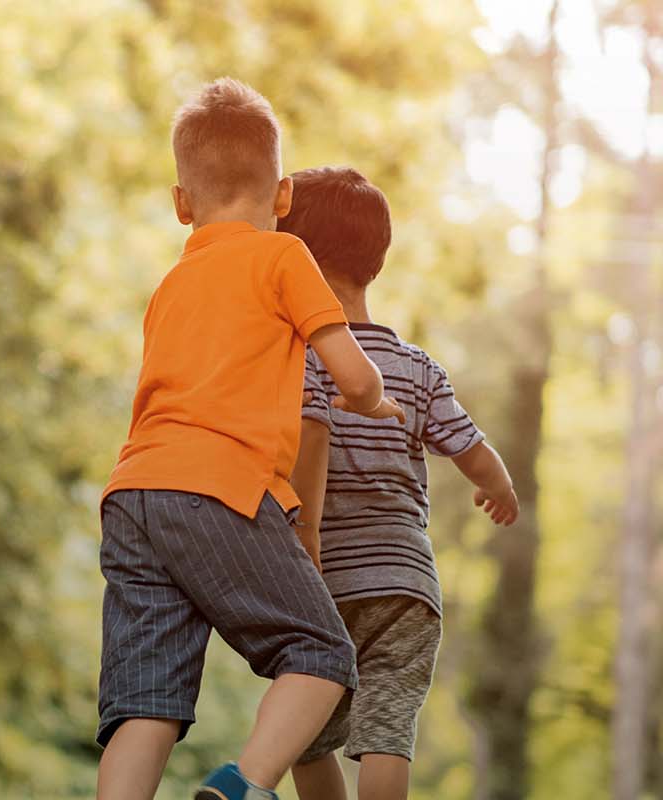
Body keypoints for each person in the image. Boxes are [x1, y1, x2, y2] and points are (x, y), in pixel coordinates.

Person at [94, 78, 405, 800]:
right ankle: (245, 785)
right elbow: (352, 380)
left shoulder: (172, 283)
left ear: (181, 204)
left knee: (145, 700)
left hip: (133, 495)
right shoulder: (282, 258)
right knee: (323, 654)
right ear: (285, 195)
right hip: (220, 490)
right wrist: (378, 400)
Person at [278, 167, 519, 800]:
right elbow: (472, 449)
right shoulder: (416, 368)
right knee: (387, 730)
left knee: (304, 733)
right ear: (375, 262)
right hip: (407, 582)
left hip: (323, 578)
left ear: (293, 256)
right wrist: (501, 489)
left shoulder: (299, 358)